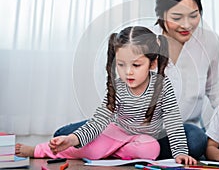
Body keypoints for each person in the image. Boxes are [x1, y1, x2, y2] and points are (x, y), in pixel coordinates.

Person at [53, 0, 219, 160]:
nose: (186, 25)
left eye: (194, 15)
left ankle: (121, 150)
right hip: (129, 129)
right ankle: (128, 148)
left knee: (196, 139)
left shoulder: (210, 41)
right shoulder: (144, 41)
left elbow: (216, 93)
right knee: (63, 135)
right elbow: (116, 97)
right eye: (177, 17)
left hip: (176, 133)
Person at [15, 26, 197, 165]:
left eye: (136, 65)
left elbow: (173, 121)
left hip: (143, 139)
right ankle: (39, 150)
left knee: (151, 149)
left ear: (152, 63)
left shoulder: (163, 86)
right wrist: (71, 139)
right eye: (121, 65)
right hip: (116, 132)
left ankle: (110, 152)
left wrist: (180, 152)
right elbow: (98, 121)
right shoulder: (118, 87)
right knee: (91, 149)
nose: (128, 73)